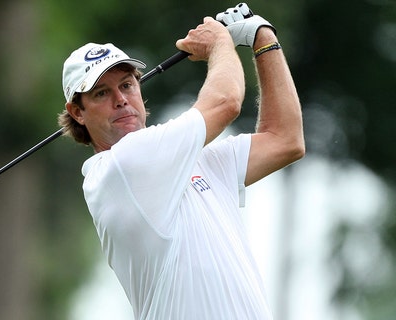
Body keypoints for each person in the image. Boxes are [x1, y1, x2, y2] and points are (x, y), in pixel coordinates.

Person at [58, 3, 304, 319]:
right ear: (78, 112)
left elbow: (285, 140)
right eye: (101, 94)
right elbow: (226, 102)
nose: (121, 99)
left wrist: (263, 39)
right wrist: (219, 45)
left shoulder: (193, 162)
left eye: (127, 85)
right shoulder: (119, 168)